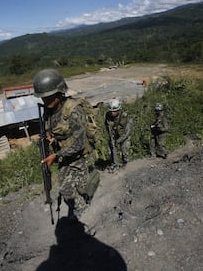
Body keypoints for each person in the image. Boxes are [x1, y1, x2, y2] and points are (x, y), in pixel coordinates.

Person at [32, 68, 94, 220]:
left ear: (59, 93)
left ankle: (87, 210)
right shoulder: (49, 110)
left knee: (83, 188)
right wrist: (51, 137)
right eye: (43, 98)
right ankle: (80, 209)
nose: (44, 101)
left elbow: (79, 143)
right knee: (66, 188)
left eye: (48, 97)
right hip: (64, 155)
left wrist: (55, 155)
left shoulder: (74, 111)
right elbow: (55, 129)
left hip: (80, 156)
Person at [104, 98, 133, 171]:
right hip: (114, 135)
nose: (112, 113)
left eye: (114, 111)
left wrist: (119, 140)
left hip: (123, 135)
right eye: (111, 111)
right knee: (112, 148)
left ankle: (125, 163)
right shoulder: (108, 115)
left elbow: (127, 131)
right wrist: (112, 138)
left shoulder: (124, 116)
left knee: (124, 149)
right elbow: (107, 126)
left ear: (118, 110)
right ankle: (115, 164)